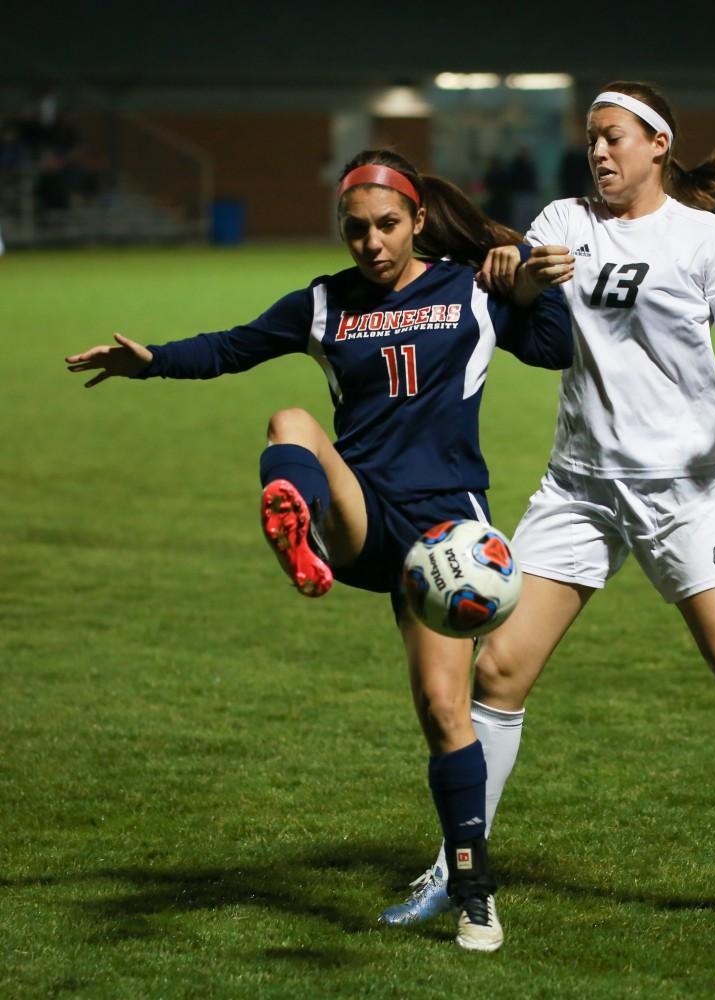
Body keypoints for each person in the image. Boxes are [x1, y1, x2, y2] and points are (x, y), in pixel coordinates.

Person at [380, 82, 715, 940]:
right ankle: (456, 865)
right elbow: (527, 310)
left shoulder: (706, 237)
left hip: (682, 493)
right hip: (580, 488)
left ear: (659, 143)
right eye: (591, 139)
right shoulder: (562, 222)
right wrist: (515, 279)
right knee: (499, 672)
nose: (599, 152)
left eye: (614, 137)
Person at [65, 149, 575, 953]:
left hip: (443, 540)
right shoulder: (323, 304)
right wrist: (154, 361)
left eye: (385, 226)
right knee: (292, 420)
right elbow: (234, 345)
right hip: (360, 512)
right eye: (355, 229)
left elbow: (553, 350)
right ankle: (298, 536)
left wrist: (530, 288)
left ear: (415, 223)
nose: (370, 243)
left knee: (445, 713)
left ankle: (474, 893)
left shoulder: (469, 288)